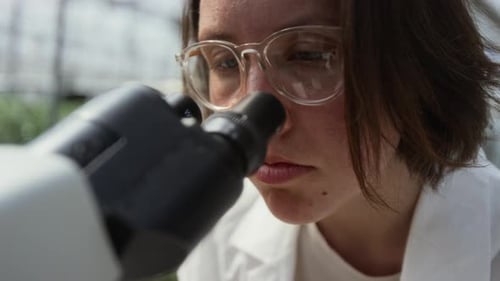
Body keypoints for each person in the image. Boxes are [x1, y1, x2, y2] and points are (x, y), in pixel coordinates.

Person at [175, 0, 500, 280]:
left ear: (419, 64)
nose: (257, 119)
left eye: (309, 55)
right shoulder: (215, 236)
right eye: (226, 62)